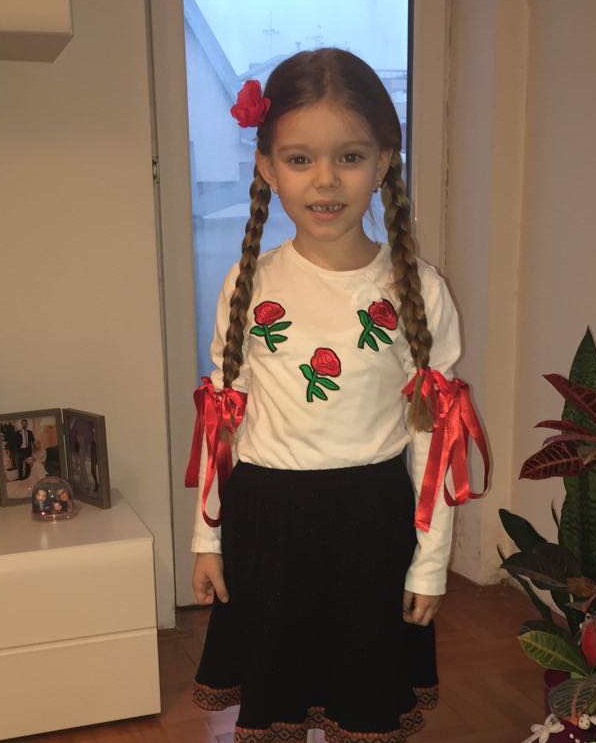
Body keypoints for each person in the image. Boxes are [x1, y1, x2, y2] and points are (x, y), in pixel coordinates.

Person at [185, 48, 488, 743]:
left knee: (365, 706)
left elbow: (433, 441)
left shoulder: (419, 290)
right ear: (267, 167)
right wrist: (207, 539)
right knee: (277, 706)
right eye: (300, 159)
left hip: (371, 530)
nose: (325, 180)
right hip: (266, 527)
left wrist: (431, 562)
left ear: (383, 162)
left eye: (349, 157)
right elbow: (222, 419)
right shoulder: (247, 283)